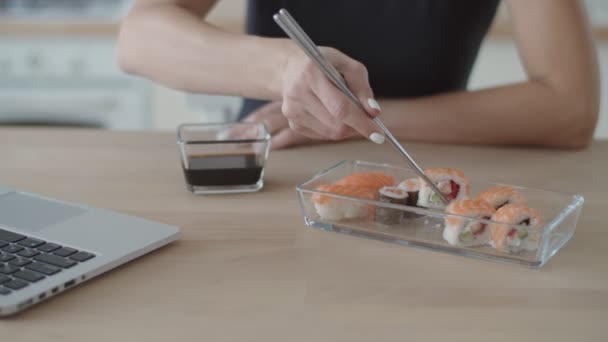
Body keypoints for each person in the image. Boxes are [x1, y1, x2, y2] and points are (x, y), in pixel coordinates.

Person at [117, 0, 599, 149]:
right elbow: (138, 39)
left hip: (428, 171)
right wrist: (285, 68)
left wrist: (354, 122)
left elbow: (569, 108)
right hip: (274, 161)